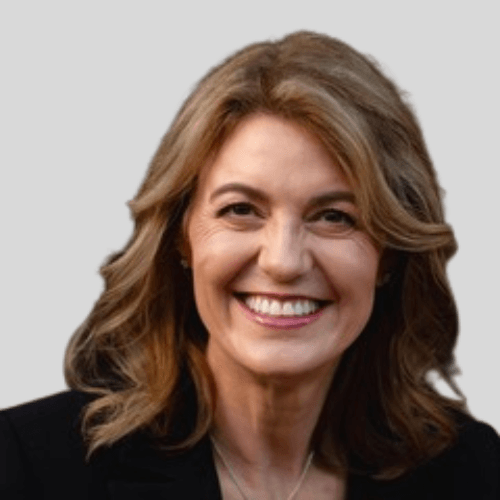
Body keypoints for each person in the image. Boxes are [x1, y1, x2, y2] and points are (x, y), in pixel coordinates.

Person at [1, 30, 499, 500]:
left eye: (334, 216)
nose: (283, 262)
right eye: (241, 210)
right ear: (180, 238)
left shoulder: (473, 472)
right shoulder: (27, 467)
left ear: (389, 253)